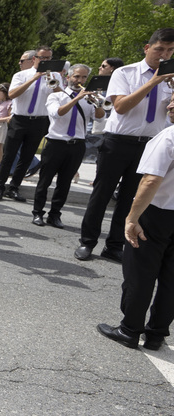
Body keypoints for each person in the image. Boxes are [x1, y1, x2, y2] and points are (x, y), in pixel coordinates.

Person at [76, 29, 174, 262]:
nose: (164, 55)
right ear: (147, 48)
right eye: (160, 49)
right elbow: (120, 107)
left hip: (149, 144)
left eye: (170, 51)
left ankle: (115, 244)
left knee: (129, 197)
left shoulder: (171, 79)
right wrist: (154, 81)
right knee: (102, 194)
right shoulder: (125, 72)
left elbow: (169, 115)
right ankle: (87, 242)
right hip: (118, 142)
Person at [97, 97, 174, 351]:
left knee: (140, 273)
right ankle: (156, 334)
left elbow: (151, 181)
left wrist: (131, 218)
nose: (170, 107)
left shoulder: (168, 137)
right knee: (171, 279)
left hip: (158, 213)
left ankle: (129, 329)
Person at [33, 64, 102, 229]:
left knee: (65, 183)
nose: (80, 80)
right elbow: (58, 113)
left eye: (84, 77)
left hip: (77, 145)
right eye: (77, 76)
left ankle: (55, 214)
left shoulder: (88, 99)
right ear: (68, 77)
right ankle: (37, 212)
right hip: (55, 144)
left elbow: (99, 117)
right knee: (45, 180)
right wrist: (77, 98)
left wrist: (97, 102)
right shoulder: (56, 96)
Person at [0, 46, 57, 202]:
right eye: (42, 58)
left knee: (27, 157)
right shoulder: (21, 75)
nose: (45, 61)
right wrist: (34, 78)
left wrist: (53, 84)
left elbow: (59, 96)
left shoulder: (54, 76)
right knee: (9, 155)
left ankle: (14, 188)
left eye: (48, 58)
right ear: (34, 59)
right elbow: (12, 94)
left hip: (40, 120)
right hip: (20, 119)